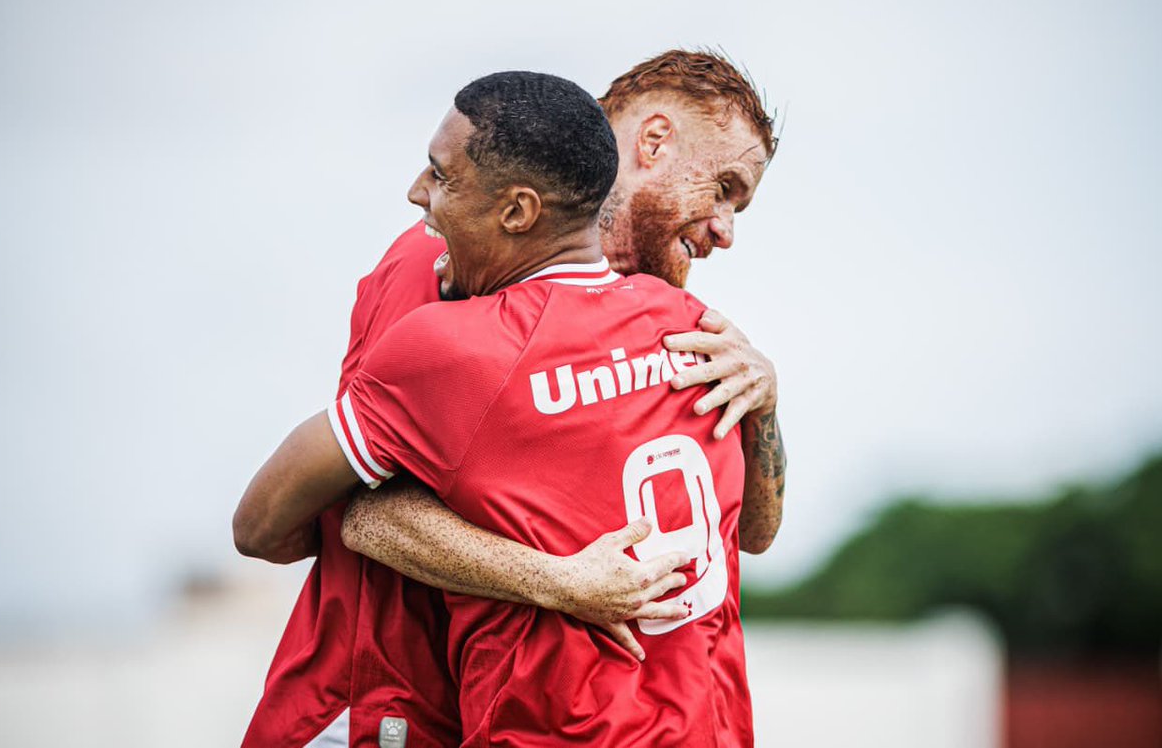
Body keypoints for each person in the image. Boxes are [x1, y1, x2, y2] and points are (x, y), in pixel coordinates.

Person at [234, 52, 784, 747]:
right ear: (652, 143)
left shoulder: (673, 319)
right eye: (725, 188)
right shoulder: (442, 263)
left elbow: (750, 537)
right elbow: (358, 514)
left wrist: (766, 398)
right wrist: (557, 579)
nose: (727, 229)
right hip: (388, 709)